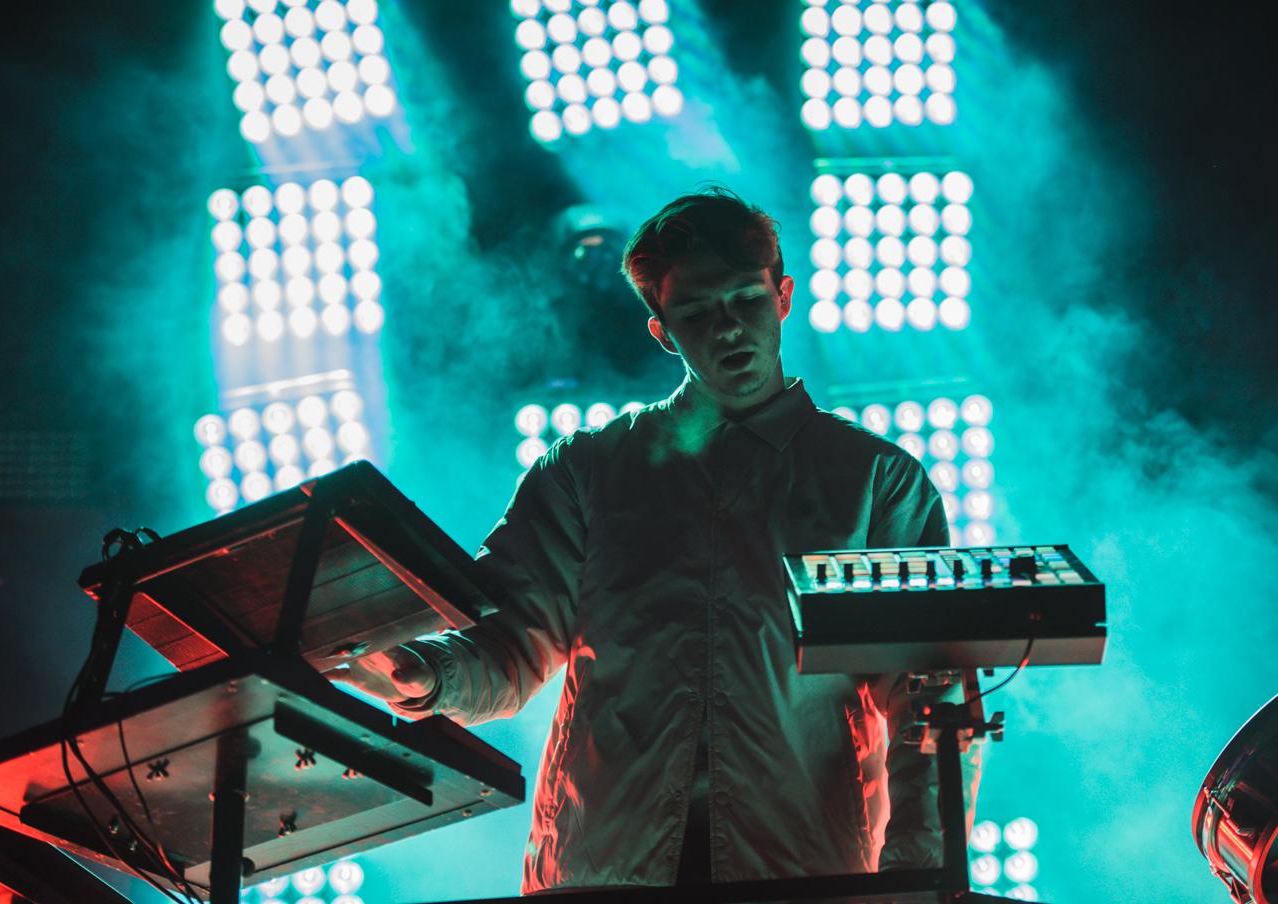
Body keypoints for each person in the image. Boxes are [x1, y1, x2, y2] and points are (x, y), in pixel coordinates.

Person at [331, 187, 980, 893]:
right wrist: (429, 674)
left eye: (746, 300)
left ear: (783, 297)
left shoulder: (876, 483)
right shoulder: (587, 471)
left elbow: (930, 694)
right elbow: (510, 641)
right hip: (614, 875)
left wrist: (918, 874)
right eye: (698, 312)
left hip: (792, 875)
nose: (728, 328)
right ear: (663, 331)